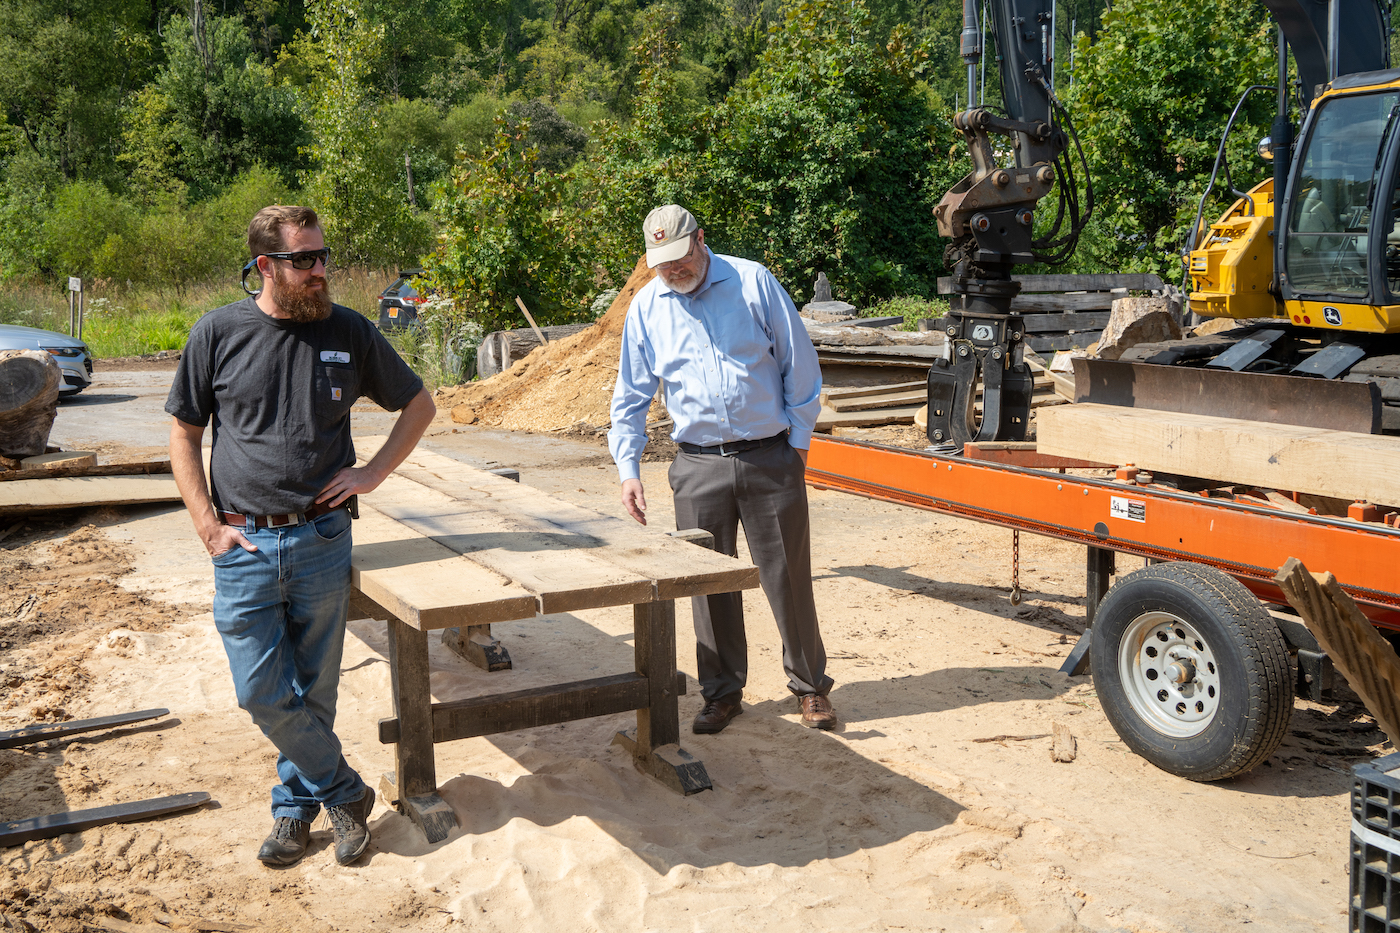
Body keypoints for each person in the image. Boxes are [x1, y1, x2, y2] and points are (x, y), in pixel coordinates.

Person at [166, 205, 436, 868]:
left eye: (323, 257)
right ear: (266, 265)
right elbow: (184, 433)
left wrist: (372, 471)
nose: (321, 271)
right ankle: (344, 790)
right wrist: (206, 523)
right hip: (243, 544)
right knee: (260, 689)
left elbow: (419, 403)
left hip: (320, 538)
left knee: (314, 689)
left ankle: (294, 810)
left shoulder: (349, 330)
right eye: (304, 261)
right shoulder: (217, 333)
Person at [608, 204, 837, 734]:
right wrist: (628, 468)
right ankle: (721, 694)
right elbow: (631, 395)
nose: (673, 270)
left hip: (768, 457)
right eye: (661, 263)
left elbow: (799, 367)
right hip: (696, 465)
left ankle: (810, 688)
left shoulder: (752, 282)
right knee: (707, 585)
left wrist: (796, 447)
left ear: (700, 240)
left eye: (680, 258)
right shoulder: (646, 308)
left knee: (788, 580)